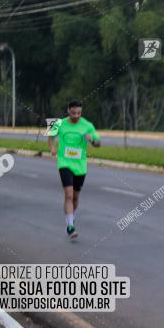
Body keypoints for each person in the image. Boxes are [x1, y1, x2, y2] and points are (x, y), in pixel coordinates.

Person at [47, 99, 100, 239]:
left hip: (80, 166)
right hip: (64, 163)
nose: (76, 116)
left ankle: (71, 217)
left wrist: (92, 140)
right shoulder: (59, 122)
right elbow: (50, 135)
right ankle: (70, 226)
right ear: (68, 110)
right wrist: (52, 148)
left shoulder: (87, 125)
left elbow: (98, 143)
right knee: (69, 194)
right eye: (73, 113)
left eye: (79, 113)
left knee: (75, 197)